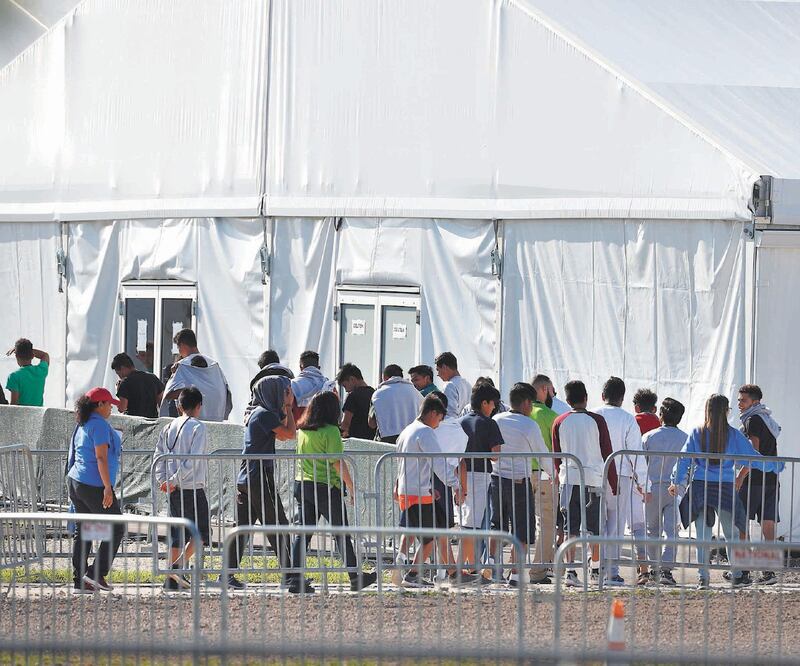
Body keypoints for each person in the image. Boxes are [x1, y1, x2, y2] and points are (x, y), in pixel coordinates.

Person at [289, 391, 378, 594]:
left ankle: (295, 579)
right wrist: (352, 487)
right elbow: (337, 462)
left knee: (302, 533)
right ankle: (355, 577)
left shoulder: (303, 430)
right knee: (341, 533)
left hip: (302, 484)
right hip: (325, 486)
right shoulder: (330, 431)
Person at [670, 394, 762, 589]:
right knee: (732, 534)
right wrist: (772, 464)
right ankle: (737, 574)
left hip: (700, 486)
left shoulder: (697, 432)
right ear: (726, 411)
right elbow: (751, 456)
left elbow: (683, 459)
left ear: (707, 410)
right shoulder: (734, 434)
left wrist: (675, 482)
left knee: (703, 535)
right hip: (725, 486)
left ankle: (703, 577)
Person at [223, 375, 295, 590]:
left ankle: (227, 574)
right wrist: (289, 407)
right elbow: (290, 434)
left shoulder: (259, 413)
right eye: (285, 391)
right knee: (278, 524)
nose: (288, 394)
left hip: (248, 476)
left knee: (242, 529)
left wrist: (285, 408)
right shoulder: (263, 414)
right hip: (259, 476)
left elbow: (282, 435)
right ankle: (291, 576)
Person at [394, 394, 466, 587]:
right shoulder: (425, 432)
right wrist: (456, 484)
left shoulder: (407, 431)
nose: (438, 424)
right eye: (440, 419)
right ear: (433, 413)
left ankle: (451, 572)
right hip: (418, 492)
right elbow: (439, 463)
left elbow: (405, 465)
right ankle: (413, 575)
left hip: (410, 490)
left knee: (435, 530)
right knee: (432, 535)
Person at [552, 380, 618, 588]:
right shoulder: (597, 421)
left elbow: (556, 455)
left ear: (567, 399)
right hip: (593, 480)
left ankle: (570, 571)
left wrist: (559, 475)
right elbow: (607, 452)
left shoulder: (559, 421)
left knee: (569, 528)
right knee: (594, 529)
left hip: (569, 479)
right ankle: (596, 569)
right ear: (586, 398)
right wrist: (614, 482)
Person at [490, 383, 553, 588]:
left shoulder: (496, 419)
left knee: (497, 526)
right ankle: (516, 574)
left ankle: (495, 569)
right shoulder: (529, 425)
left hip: (496, 478)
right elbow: (542, 454)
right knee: (522, 530)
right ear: (526, 402)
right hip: (519, 481)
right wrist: (554, 474)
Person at [66, 387, 125, 593]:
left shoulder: (83, 422)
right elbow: (101, 457)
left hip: (76, 481)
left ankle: (80, 580)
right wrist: (108, 487)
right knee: (117, 526)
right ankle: (95, 574)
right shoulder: (99, 425)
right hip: (94, 484)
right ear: (99, 404)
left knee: (85, 530)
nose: (111, 408)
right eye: (109, 404)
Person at [153, 387, 209, 590]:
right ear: (199, 406)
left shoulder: (168, 427)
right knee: (201, 533)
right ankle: (176, 569)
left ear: (179, 406)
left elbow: (158, 455)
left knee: (178, 534)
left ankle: (171, 578)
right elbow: (194, 459)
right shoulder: (198, 427)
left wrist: (163, 479)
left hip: (173, 488)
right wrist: (174, 480)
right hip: (191, 486)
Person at [596, 377, 650, 586]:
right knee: (616, 524)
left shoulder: (593, 415)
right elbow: (636, 454)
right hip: (621, 475)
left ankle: (596, 567)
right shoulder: (628, 419)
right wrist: (644, 483)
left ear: (603, 395)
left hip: (595, 474)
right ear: (622, 398)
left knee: (596, 523)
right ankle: (612, 572)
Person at [735, 383, 782, 586]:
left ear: (755, 402)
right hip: (771, 479)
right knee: (768, 526)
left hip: (753, 480)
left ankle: (743, 570)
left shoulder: (753, 419)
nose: (739, 404)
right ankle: (769, 572)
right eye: (739, 400)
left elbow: (753, 452)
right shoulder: (767, 418)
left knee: (740, 523)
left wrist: (740, 476)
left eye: (743, 400)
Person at [456, 382, 504, 576]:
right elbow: (495, 454)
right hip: (479, 475)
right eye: (493, 403)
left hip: (458, 473)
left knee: (465, 522)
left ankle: (471, 566)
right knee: (471, 525)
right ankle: (459, 568)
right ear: (485, 403)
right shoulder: (489, 423)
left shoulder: (460, 421)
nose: (494, 407)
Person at [642, 398, 687, 586]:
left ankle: (654, 568)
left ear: (661, 415)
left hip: (652, 487)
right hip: (674, 488)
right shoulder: (685, 438)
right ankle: (666, 570)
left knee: (652, 530)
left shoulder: (648, 437)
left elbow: (642, 464)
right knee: (672, 530)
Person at [160, 329, 232, 421]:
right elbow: (226, 392)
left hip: (192, 421)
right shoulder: (214, 365)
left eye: (178, 348)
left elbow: (168, 395)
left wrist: (187, 392)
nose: (179, 352)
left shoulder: (182, 365)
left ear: (182, 345)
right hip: (216, 420)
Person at [528, 374, 560, 584]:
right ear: (544, 390)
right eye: (551, 390)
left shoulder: (522, 413)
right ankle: (538, 570)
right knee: (547, 524)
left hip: (520, 473)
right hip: (545, 474)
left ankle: (512, 571)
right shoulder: (550, 416)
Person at [368, 365, 422, 444]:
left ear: (385, 377)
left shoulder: (378, 394)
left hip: (387, 441)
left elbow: (372, 423)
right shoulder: (416, 393)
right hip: (411, 439)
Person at [111, 353, 164, 418]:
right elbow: (161, 403)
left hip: (133, 421)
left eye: (118, 373)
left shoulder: (125, 383)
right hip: (152, 420)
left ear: (122, 368)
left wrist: (118, 389)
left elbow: (122, 408)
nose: (119, 377)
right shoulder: (153, 377)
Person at [336, 363, 376, 440]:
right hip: (373, 441)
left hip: (356, 442)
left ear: (352, 379)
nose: (346, 390)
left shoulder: (352, 396)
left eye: (345, 386)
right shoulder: (374, 393)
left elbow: (345, 424)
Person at [290, 350, 336, 418]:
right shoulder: (330, 386)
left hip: (298, 424)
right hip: (324, 424)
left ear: (301, 368)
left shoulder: (292, 385)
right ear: (319, 368)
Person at [5, 338, 49, 406]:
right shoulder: (41, 370)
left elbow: (14, 404)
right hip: (38, 412)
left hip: (21, 413)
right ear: (32, 355)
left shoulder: (14, 376)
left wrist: (19, 349)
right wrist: (28, 350)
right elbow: (45, 355)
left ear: (16, 356)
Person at [435, 352, 471, 419]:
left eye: (438, 370)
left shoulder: (449, 386)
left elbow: (449, 415)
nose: (438, 374)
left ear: (444, 367)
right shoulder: (468, 384)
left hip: (455, 424)